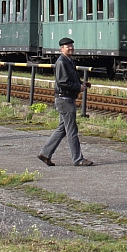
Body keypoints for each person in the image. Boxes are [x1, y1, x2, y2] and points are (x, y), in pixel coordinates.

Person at [38, 37, 93, 167]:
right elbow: (63, 82)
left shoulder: (68, 61)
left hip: (66, 98)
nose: (70, 48)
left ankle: (45, 154)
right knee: (72, 130)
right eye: (67, 46)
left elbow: (69, 79)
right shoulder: (62, 62)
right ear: (61, 48)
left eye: (71, 45)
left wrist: (81, 83)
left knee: (62, 129)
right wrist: (78, 87)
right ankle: (78, 159)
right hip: (65, 99)